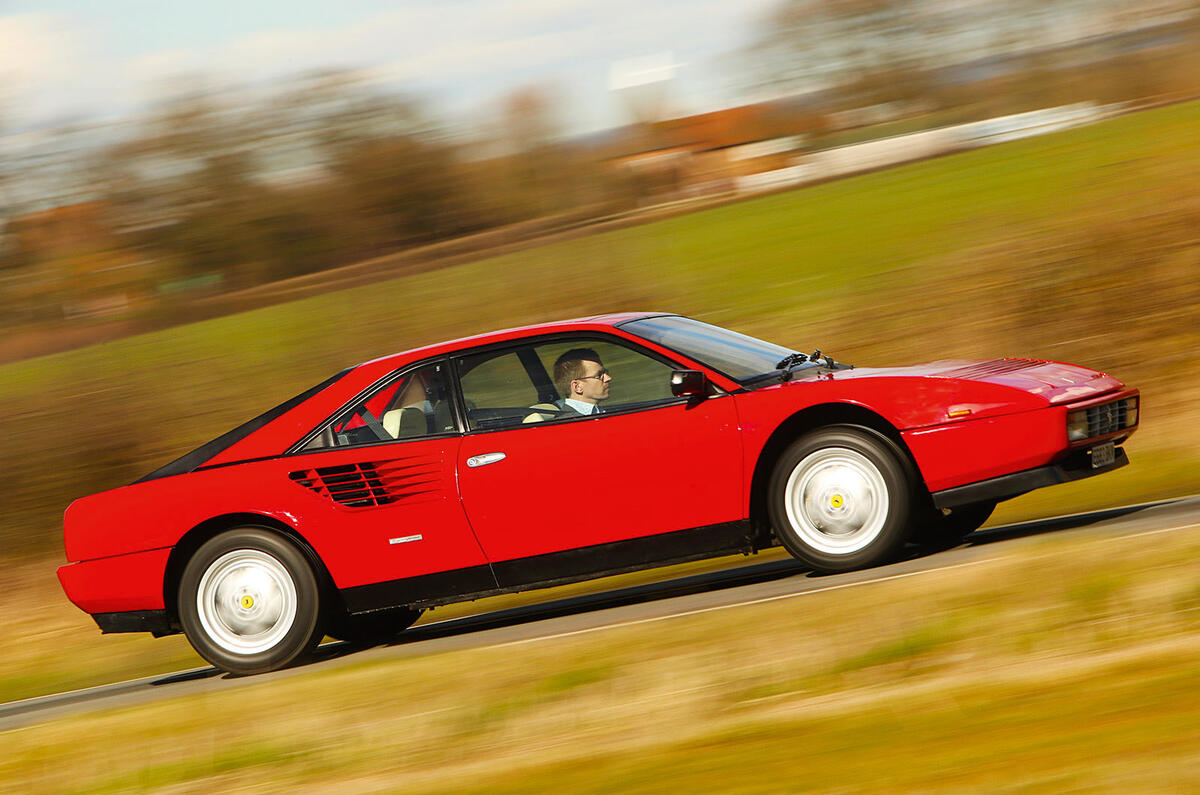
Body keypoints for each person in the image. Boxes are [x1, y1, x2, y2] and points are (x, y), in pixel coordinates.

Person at [524, 347, 612, 422]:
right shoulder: (570, 422)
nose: (608, 378)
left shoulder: (595, 412)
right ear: (577, 387)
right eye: (599, 375)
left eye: (605, 373)